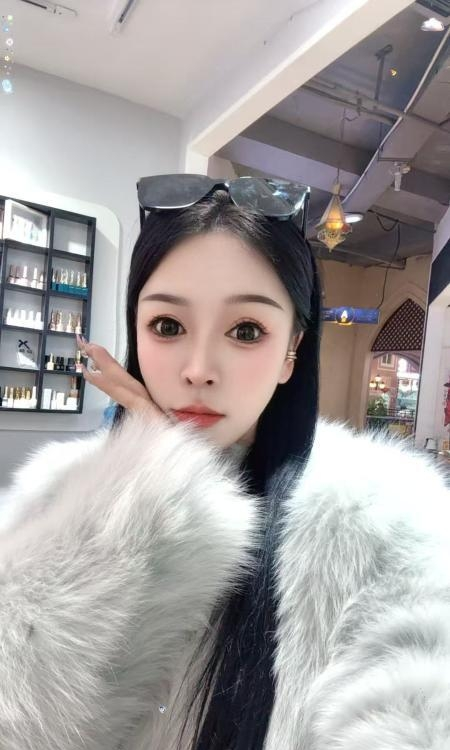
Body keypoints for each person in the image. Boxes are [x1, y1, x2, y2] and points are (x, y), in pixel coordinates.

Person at [0, 174, 449, 750]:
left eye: (246, 330)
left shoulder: (387, 518)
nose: (198, 370)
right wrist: (144, 491)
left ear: (292, 350)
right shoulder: (63, 491)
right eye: (167, 326)